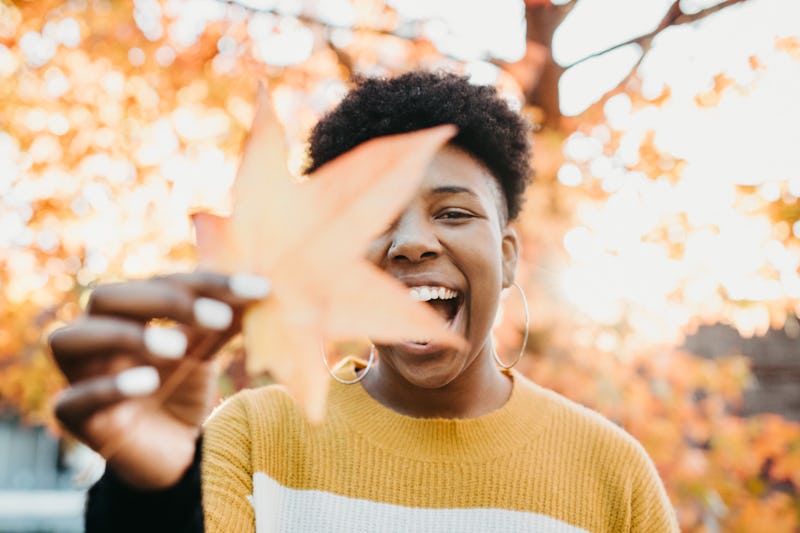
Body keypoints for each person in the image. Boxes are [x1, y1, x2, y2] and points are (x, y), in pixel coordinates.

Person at [50, 71, 679, 532]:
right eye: (372, 221)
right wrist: (146, 501)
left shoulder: (611, 472)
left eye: (454, 212)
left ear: (509, 254)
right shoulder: (251, 438)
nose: (410, 243)